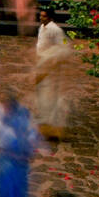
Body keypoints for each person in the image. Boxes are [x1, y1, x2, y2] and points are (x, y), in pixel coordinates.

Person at [34, 7, 71, 139]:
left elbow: (65, 47)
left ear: (50, 18)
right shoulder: (42, 28)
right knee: (41, 95)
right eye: (40, 16)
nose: (41, 18)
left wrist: (52, 58)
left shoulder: (56, 30)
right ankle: (46, 125)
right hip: (41, 64)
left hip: (51, 68)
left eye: (44, 16)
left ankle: (52, 126)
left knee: (49, 96)